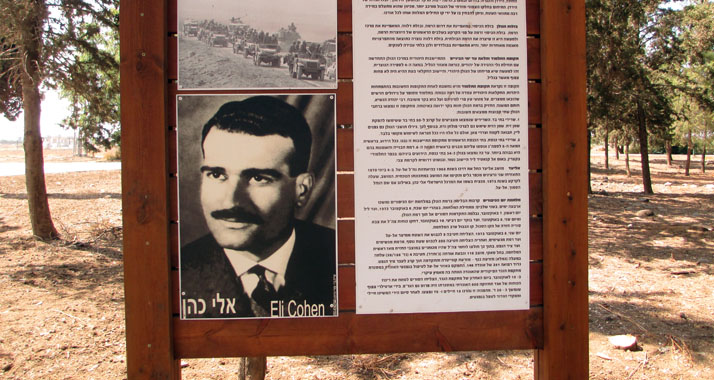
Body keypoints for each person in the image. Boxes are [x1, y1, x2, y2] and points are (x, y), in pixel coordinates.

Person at [180, 96, 336, 319]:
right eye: (216, 174)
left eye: (258, 178)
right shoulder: (179, 271)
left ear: (302, 189)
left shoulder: (338, 257)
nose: (232, 202)